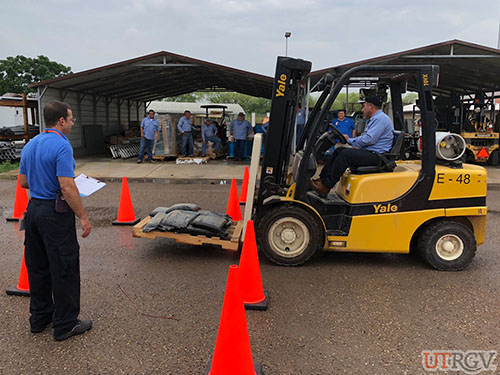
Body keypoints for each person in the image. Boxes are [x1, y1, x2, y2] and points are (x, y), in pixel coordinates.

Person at [19, 101, 92, 341]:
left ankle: (39, 318)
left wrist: (42, 181)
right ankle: (66, 324)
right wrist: (82, 216)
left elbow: (24, 183)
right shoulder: (62, 145)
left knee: (38, 267)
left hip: (34, 211)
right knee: (64, 267)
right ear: (61, 121)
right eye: (71, 119)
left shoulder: (31, 144)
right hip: (54, 213)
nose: (72, 123)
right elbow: (67, 186)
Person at [311, 96, 394, 196]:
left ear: (371, 106)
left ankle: (326, 186)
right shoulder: (376, 119)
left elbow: (369, 139)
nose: (362, 110)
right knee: (339, 150)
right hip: (371, 152)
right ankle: (322, 180)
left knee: (346, 155)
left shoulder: (380, 119)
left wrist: (349, 140)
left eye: (364, 107)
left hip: (377, 156)